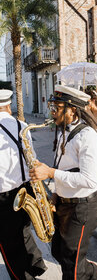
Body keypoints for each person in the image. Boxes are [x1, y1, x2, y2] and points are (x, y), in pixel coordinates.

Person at [29, 85, 97, 280]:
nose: (53, 112)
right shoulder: (62, 132)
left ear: (72, 109)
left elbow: (90, 180)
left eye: (57, 107)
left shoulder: (88, 136)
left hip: (82, 208)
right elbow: (65, 169)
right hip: (64, 204)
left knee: (72, 269)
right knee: (59, 253)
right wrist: (56, 194)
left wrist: (50, 172)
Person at [0, 89, 47, 280]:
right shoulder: (22, 125)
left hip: (4, 195)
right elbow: (32, 158)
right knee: (23, 230)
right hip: (25, 190)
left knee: (8, 243)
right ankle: (36, 265)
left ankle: (23, 276)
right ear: (8, 105)